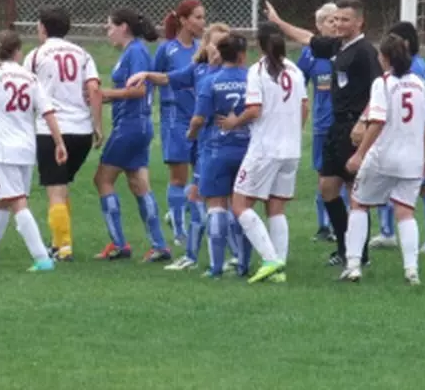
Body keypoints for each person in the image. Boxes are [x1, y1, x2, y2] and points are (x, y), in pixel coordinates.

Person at [266, 0, 379, 269]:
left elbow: (379, 91)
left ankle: (358, 253)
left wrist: (364, 121)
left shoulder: (365, 52)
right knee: (327, 187)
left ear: (359, 22)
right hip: (335, 127)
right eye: (336, 19)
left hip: (355, 128)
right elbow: (308, 38)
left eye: (345, 20)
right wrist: (278, 22)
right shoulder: (338, 46)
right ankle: (343, 246)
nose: (339, 24)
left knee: (356, 193)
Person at [131, 23, 232, 271]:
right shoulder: (198, 70)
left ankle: (207, 257)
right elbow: (168, 78)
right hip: (205, 145)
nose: (218, 50)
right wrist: (146, 75)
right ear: (205, 45)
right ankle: (210, 256)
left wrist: (194, 129)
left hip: (218, 144)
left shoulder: (226, 76)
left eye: (224, 46)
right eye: (215, 44)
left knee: (211, 198)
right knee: (206, 197)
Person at [0, 31, 67, 272]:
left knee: (16, 201)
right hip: (26, 148)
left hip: (3, 150)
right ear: (17, 51)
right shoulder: (30, 78)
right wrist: (59, 142)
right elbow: (47, 111)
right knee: (1, 201)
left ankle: (41, 257)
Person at [220, 23, 307, 285]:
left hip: (265, 149)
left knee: (240, 204)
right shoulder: (295, 70)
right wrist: (292, 133)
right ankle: (278, 269)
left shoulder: (257, 71)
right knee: (276, 208)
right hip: (291, 149)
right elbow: (304, 107)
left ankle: (270, 259)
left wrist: (234, 122)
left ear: (258, 44)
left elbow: (254, 109)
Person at [341, 34, 425, 285]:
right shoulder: (419, 84)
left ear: (385, 58)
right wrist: (424, 156)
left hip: (384, 156)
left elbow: (378, 121)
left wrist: (359, 154)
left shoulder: (383, 83)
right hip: (412, 159)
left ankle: (353, 265)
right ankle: (411, 270)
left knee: (358, 202)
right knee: (405, 212)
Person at [21, 7, 102, 262]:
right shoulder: (83, 54)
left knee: (55, 191)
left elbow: (26, 92)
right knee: (62, 187)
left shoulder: (35, 56)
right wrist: (98, 125)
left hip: (51, 131)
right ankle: (58, 242)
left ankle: (63, 247)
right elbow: (94, 89)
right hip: (81, 131)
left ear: (43, 27)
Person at [93, 8, 170, 262]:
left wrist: (104, 94)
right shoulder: (134, 51)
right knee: (138, 184)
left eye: (110, 26)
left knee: (103, 179)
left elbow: (137, 91)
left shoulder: (135, 52)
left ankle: (119, 244)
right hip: (140, 125)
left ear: (123, 26)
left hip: (129, 126)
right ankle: (159, 245)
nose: (108, 31)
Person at [372, 21, 425, 255]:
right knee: (386, 182)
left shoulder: (414, 69)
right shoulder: (416, 65)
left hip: (415, 137)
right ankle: (387, 232)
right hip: (407, 136)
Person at [188, 31, 249, 277]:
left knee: (216, 206)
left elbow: (199, 118)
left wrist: (191, 134)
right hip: (246, 148)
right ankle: (243, 264)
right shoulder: (252, 79)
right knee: (242, 207)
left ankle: (215, 268)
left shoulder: (210, 81)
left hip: (216, 149)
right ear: (243, 55)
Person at [154, 0, 205, 245]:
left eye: (203, 17)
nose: (202, 22)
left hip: (199, 118)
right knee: (179, 177)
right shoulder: (167, 49)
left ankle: (180, 210)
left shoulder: (202, 48)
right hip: (175, 118)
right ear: (183, 21)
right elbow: (156, 78)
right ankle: (179, 231)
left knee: (202, 176)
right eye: (197, 17)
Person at [296, 2, 341, 242]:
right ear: (319, 25)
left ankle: (340, 225)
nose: (335, 24)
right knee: (322, 175)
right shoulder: (309, 54)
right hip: (322, 125)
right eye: (330, 20)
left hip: (345, 124)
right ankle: (323, 226)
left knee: (344, 176)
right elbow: (296, 83)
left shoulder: (344, 49)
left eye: (338, 20)